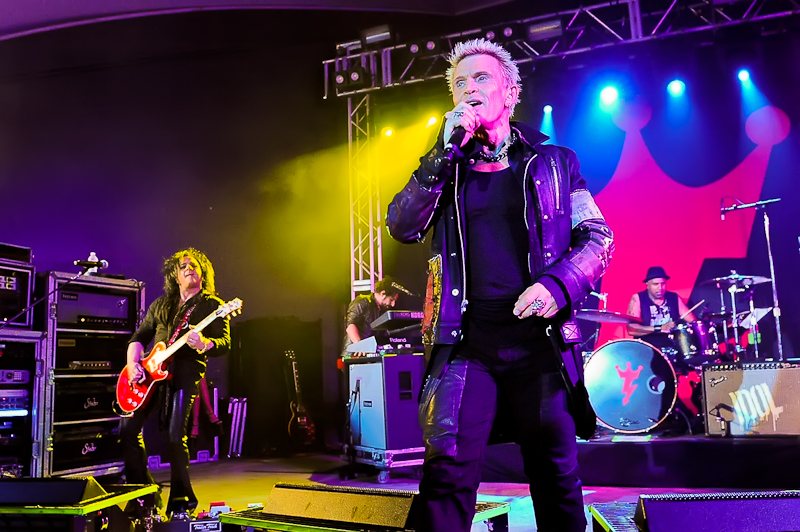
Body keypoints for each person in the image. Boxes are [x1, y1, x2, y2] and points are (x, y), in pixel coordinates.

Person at [386, 38, 614, 532]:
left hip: (539, 342)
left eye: (481, 78)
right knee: (445, 473)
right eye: (459, 83)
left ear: (510, 93)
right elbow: (402, 225)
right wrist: (438, 158)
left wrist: (557, 286)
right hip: (466, 343)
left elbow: (598, 237)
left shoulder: (555, 162)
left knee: (555, 476)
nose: (469, 89)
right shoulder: (446, 165)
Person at [119, 248, 231, 520]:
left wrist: (204, 344)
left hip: (183, 374)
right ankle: (143, 494)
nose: (189, 268)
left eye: (194, 265)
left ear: (203, 273)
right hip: (149, 377)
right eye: (183, 266)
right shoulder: (161, 305)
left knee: (174, 438)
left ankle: (181, 503)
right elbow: (137, 337)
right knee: (127, 430)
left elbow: (224, 344)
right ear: (175, 275)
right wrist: (134, 364)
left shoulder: (213, 306)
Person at [626, 266, 696, 350]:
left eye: (663, 284)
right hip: (648, 348)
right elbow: (631, 329)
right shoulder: (638, 298)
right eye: (655, 284)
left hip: (672, 347)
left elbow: (692, 321)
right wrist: (659, 328)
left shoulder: (673, 297)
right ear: (647, 285)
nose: (660, 288)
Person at [341, 277, 400, 358]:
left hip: (370, 353)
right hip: (353, 354)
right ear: (383, 294)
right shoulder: (362, 302)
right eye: (391, 300)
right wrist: (360, 345)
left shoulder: (382, 309)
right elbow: (350, 326)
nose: (393, 304)